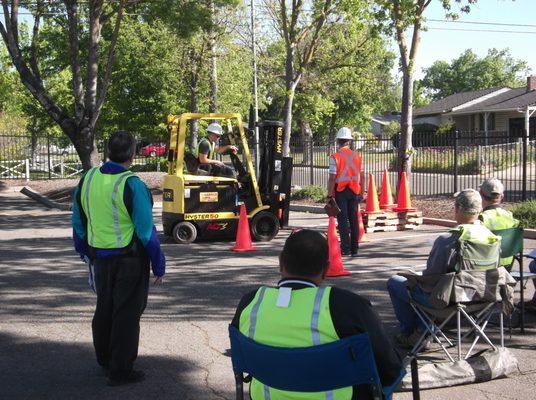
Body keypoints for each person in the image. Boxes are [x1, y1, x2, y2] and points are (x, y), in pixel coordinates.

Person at [231, 229, 402, 400]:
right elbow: (390, 371)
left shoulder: (251, 302)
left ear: (281, 261)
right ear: (326, 269)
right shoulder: (348, 306)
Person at [71, 131, 166, 386]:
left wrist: (82, 249)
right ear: (133, 155)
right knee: (126, 314)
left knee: (104, 307)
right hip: (129, 260)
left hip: (99, 258)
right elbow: (146, 232)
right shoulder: (132, 184)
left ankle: (104, 358)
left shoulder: (88, 178)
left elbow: (78, 221)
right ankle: (120, 369)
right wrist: (159, 264)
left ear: (107, 152)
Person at [387, 189, 498, 348]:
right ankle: (422, 331)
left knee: (397, 283)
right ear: (480, 209)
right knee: (431, 288)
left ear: (457, 209)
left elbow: (431, 277)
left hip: (451, 301)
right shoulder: (490, 237)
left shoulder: (448, 239)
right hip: (483, 297)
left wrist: (416, 276)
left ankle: (414, 334)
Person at [326, 127, 363, 257]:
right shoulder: (357, 156)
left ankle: (345, 249)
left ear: (338, 141)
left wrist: (329, 195)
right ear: (349, 141)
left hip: (341, 191)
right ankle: (354, 248)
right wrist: (361, 192)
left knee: (342, 220)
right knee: (354, 220)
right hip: (354, 191)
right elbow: (361, 175)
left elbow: (332, 178)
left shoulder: (334, 157)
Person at [479, 177, 519, 268]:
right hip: (507, 266)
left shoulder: (481, 219)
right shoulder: (510, 217)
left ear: (481, 194)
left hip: (486, 267)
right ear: (502, 196)